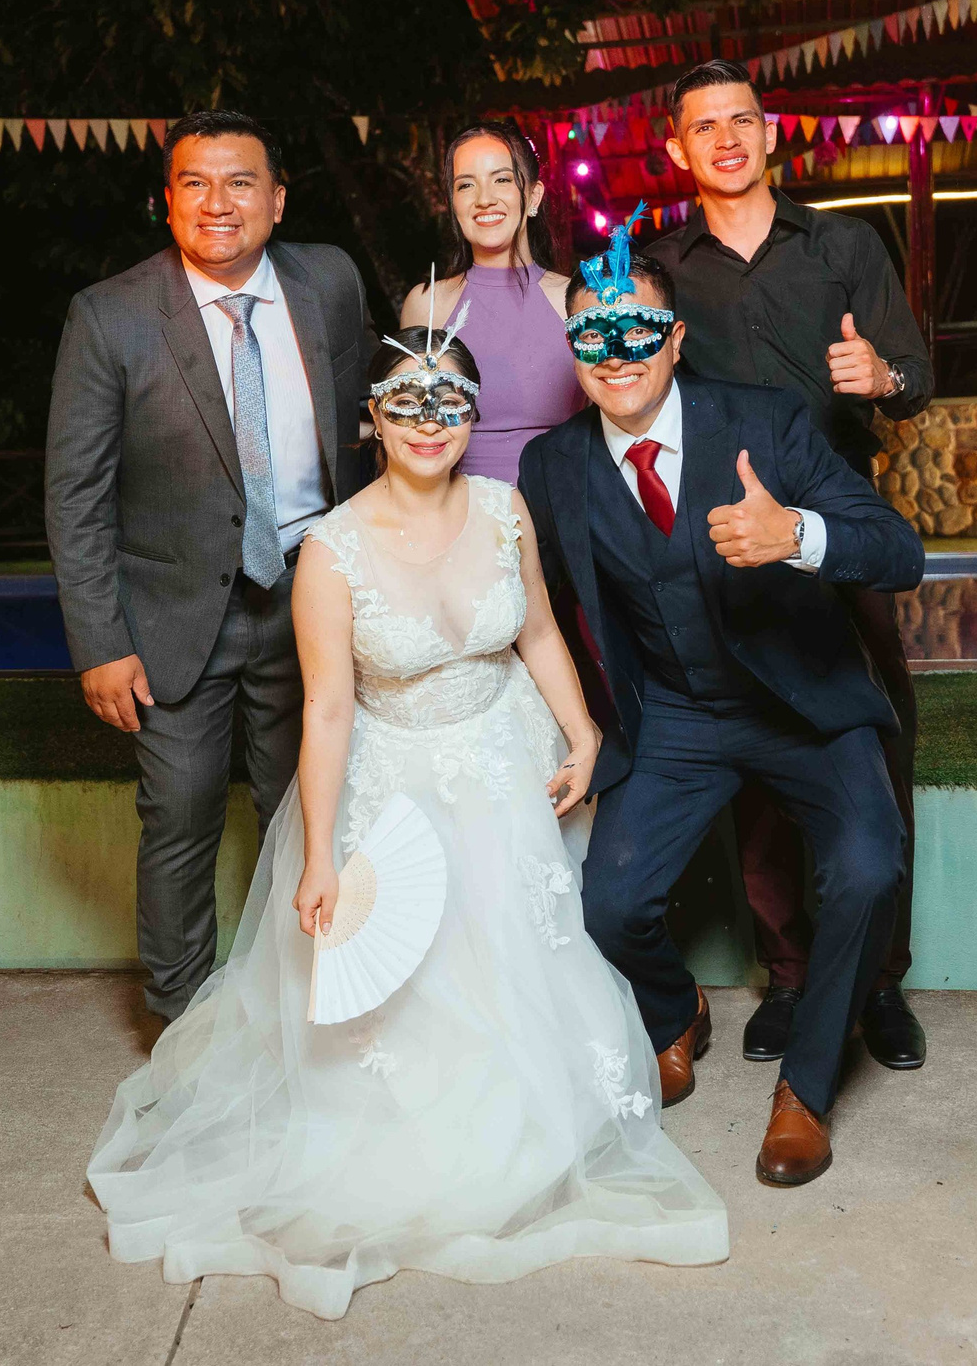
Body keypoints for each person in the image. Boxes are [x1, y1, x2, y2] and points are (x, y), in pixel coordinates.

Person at [87, 326, 729, 1320]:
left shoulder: (504, 506)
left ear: (472, 419)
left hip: (510, 762)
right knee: (409, 995)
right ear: (371, 417)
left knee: (526, 951)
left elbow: (542, 632)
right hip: (396, 786)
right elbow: (329, 709)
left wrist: (582, 730)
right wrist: (321, 854)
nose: (430, 425)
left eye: (451, 405)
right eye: (406, 404)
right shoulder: (329, 551)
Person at [518, 216, 924, 1187]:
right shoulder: (553, 467)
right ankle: (676, 1016)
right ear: (571, 350)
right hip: (679, 722)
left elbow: (899, 552)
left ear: (676, 339)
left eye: (638, 334)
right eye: (592, 337)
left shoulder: (765, 425)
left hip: (807, 707)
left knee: (865, 871)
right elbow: (525, 604)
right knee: (608, 906)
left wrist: (800, 535)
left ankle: (808, 1088)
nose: (616, 357)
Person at [638, 58, 936, 1075]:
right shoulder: (661, 263)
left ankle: (880, 983)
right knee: (758, 756)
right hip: (727, 545)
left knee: (879, 747)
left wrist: (882, 374)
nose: (724, 137)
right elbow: (626, 379)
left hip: (841, 529)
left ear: (770, 136)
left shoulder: (844, 244)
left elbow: (915, 374)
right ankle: (794, 975)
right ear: (676, 150)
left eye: (741, 119)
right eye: (701, 126)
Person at [46, 110, 372, 1021]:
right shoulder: (110, 315)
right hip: (178, 614)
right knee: (182, 820)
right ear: (166, 200)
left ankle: (306, 1004)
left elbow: (366, 429)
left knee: (307, 810)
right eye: (195, 182)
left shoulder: (331, 282)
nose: (217, 203)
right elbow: (75, 494)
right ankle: (185, 1026)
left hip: (315, 593)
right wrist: (99, 642)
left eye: (239, 182)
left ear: (276, 198)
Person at [398, 120, 584, 484]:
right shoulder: (426, 304)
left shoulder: (573, 300)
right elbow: (409, 424)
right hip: (455, 513)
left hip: (563, 506)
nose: (484, 198)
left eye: (501, 179)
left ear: (533, 196)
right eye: (466, 185)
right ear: (453, 203)